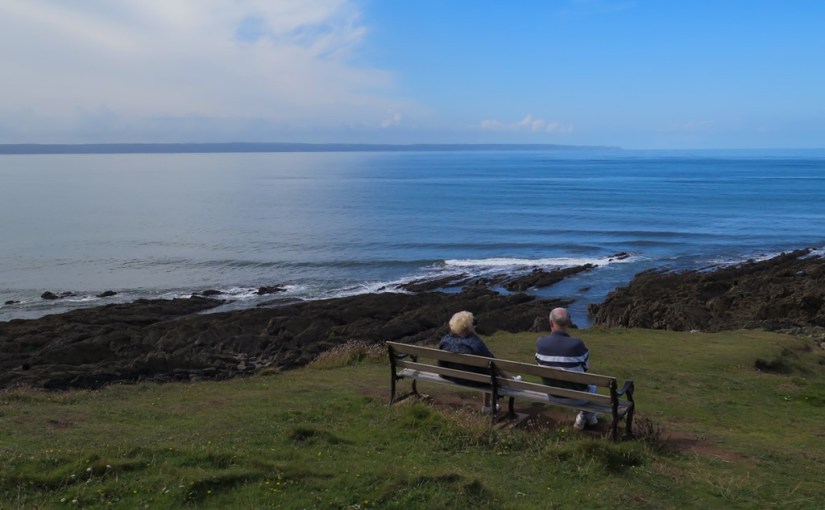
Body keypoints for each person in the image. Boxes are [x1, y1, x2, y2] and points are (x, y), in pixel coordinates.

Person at [535, 307, 599, 430]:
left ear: (550, 322)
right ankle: (585, 417)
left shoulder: (540, 343)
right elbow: (585, 368)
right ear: (568, 323)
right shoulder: (577, 344)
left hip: (551, 394)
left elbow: (539, 364)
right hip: (577, 399)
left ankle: (587, 418)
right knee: (593, 387)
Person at [438, 311, 508, 413]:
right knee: (490, 370)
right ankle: (487, 406)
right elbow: (488, 368)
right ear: (470, 326)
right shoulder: (476, 343)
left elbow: (441, 365)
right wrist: (499, 379)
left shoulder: (445, 340)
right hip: (476, 381)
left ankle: (509, 380)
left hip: (452, 377)